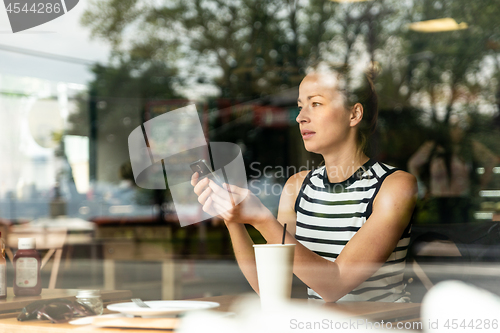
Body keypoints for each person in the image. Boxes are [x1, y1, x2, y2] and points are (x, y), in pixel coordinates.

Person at [191, 63, 417, 302]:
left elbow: (334, 284)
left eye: (316, 104)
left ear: (354, 114)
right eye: (300, 107)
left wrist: (261, 218)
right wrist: (233, 218)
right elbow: (272, 288)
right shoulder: (297, 187)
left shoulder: (394, 186)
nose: (300, 117)